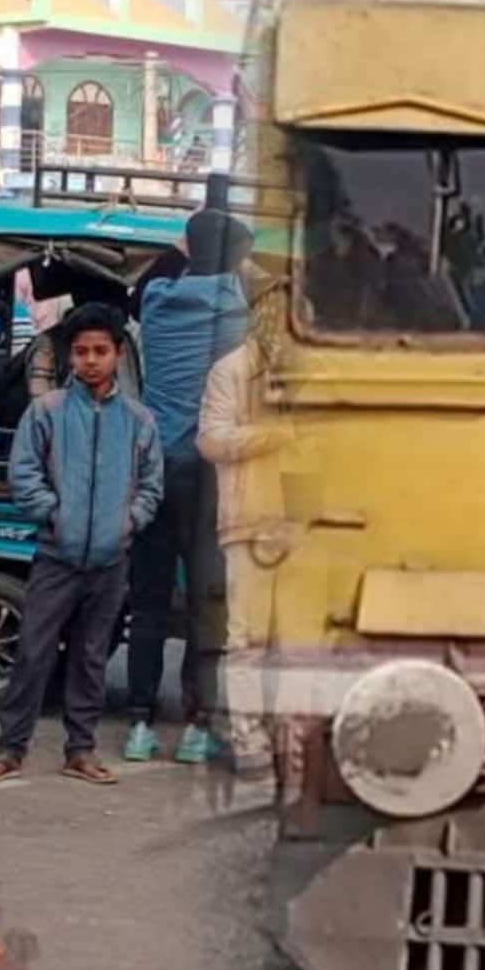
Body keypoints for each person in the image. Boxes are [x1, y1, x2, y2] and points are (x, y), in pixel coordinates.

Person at [0, 303, 161, 786]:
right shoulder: (48, 411)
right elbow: (24, 474)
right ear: (69, 357)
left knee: (91, 657)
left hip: (110, 560)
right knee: (33, 653)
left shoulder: (139, 420)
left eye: (100, 351)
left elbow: (150, 487)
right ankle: (10, 749)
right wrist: (53, 515)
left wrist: (128, 522)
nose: (91, 360)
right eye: (81, 352)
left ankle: (81, 750)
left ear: (119, 353)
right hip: (56, 556)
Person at [123, 211, 251, 765]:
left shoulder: (154, 303)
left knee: (147, 604)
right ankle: (198, 726)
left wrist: (188, 245)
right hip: (206, 474)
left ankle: (138, 726)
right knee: (206, 604)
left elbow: (157, 273)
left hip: (153, 467)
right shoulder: (233, 305)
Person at [197, 281, 293, 779]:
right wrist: (272, 436)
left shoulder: (310, 372)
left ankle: (288, 736)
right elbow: (210, 441)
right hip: (251, 522)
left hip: (305, 527)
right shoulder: (231, 371)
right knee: (248, 640)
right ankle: (247, 737)